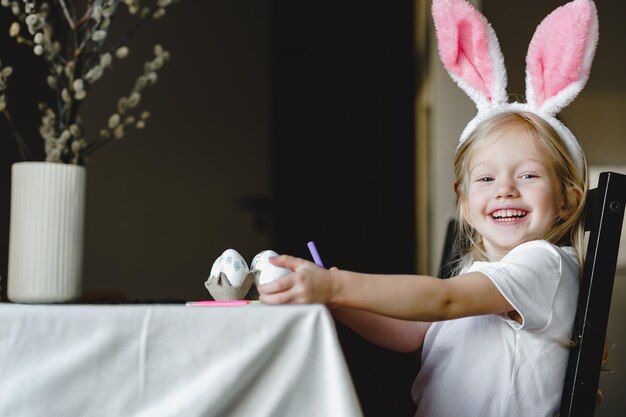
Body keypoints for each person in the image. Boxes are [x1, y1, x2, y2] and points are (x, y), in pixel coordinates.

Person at [259, 0, 599, 416]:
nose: (505, 190)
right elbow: (414, 332)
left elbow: (443, 301)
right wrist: (337, 303)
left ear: (568, 201)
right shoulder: (481, 275)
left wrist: (336, 285)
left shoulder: (543, 264)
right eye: (486, 179)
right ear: (465, 201)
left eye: (528, 176)